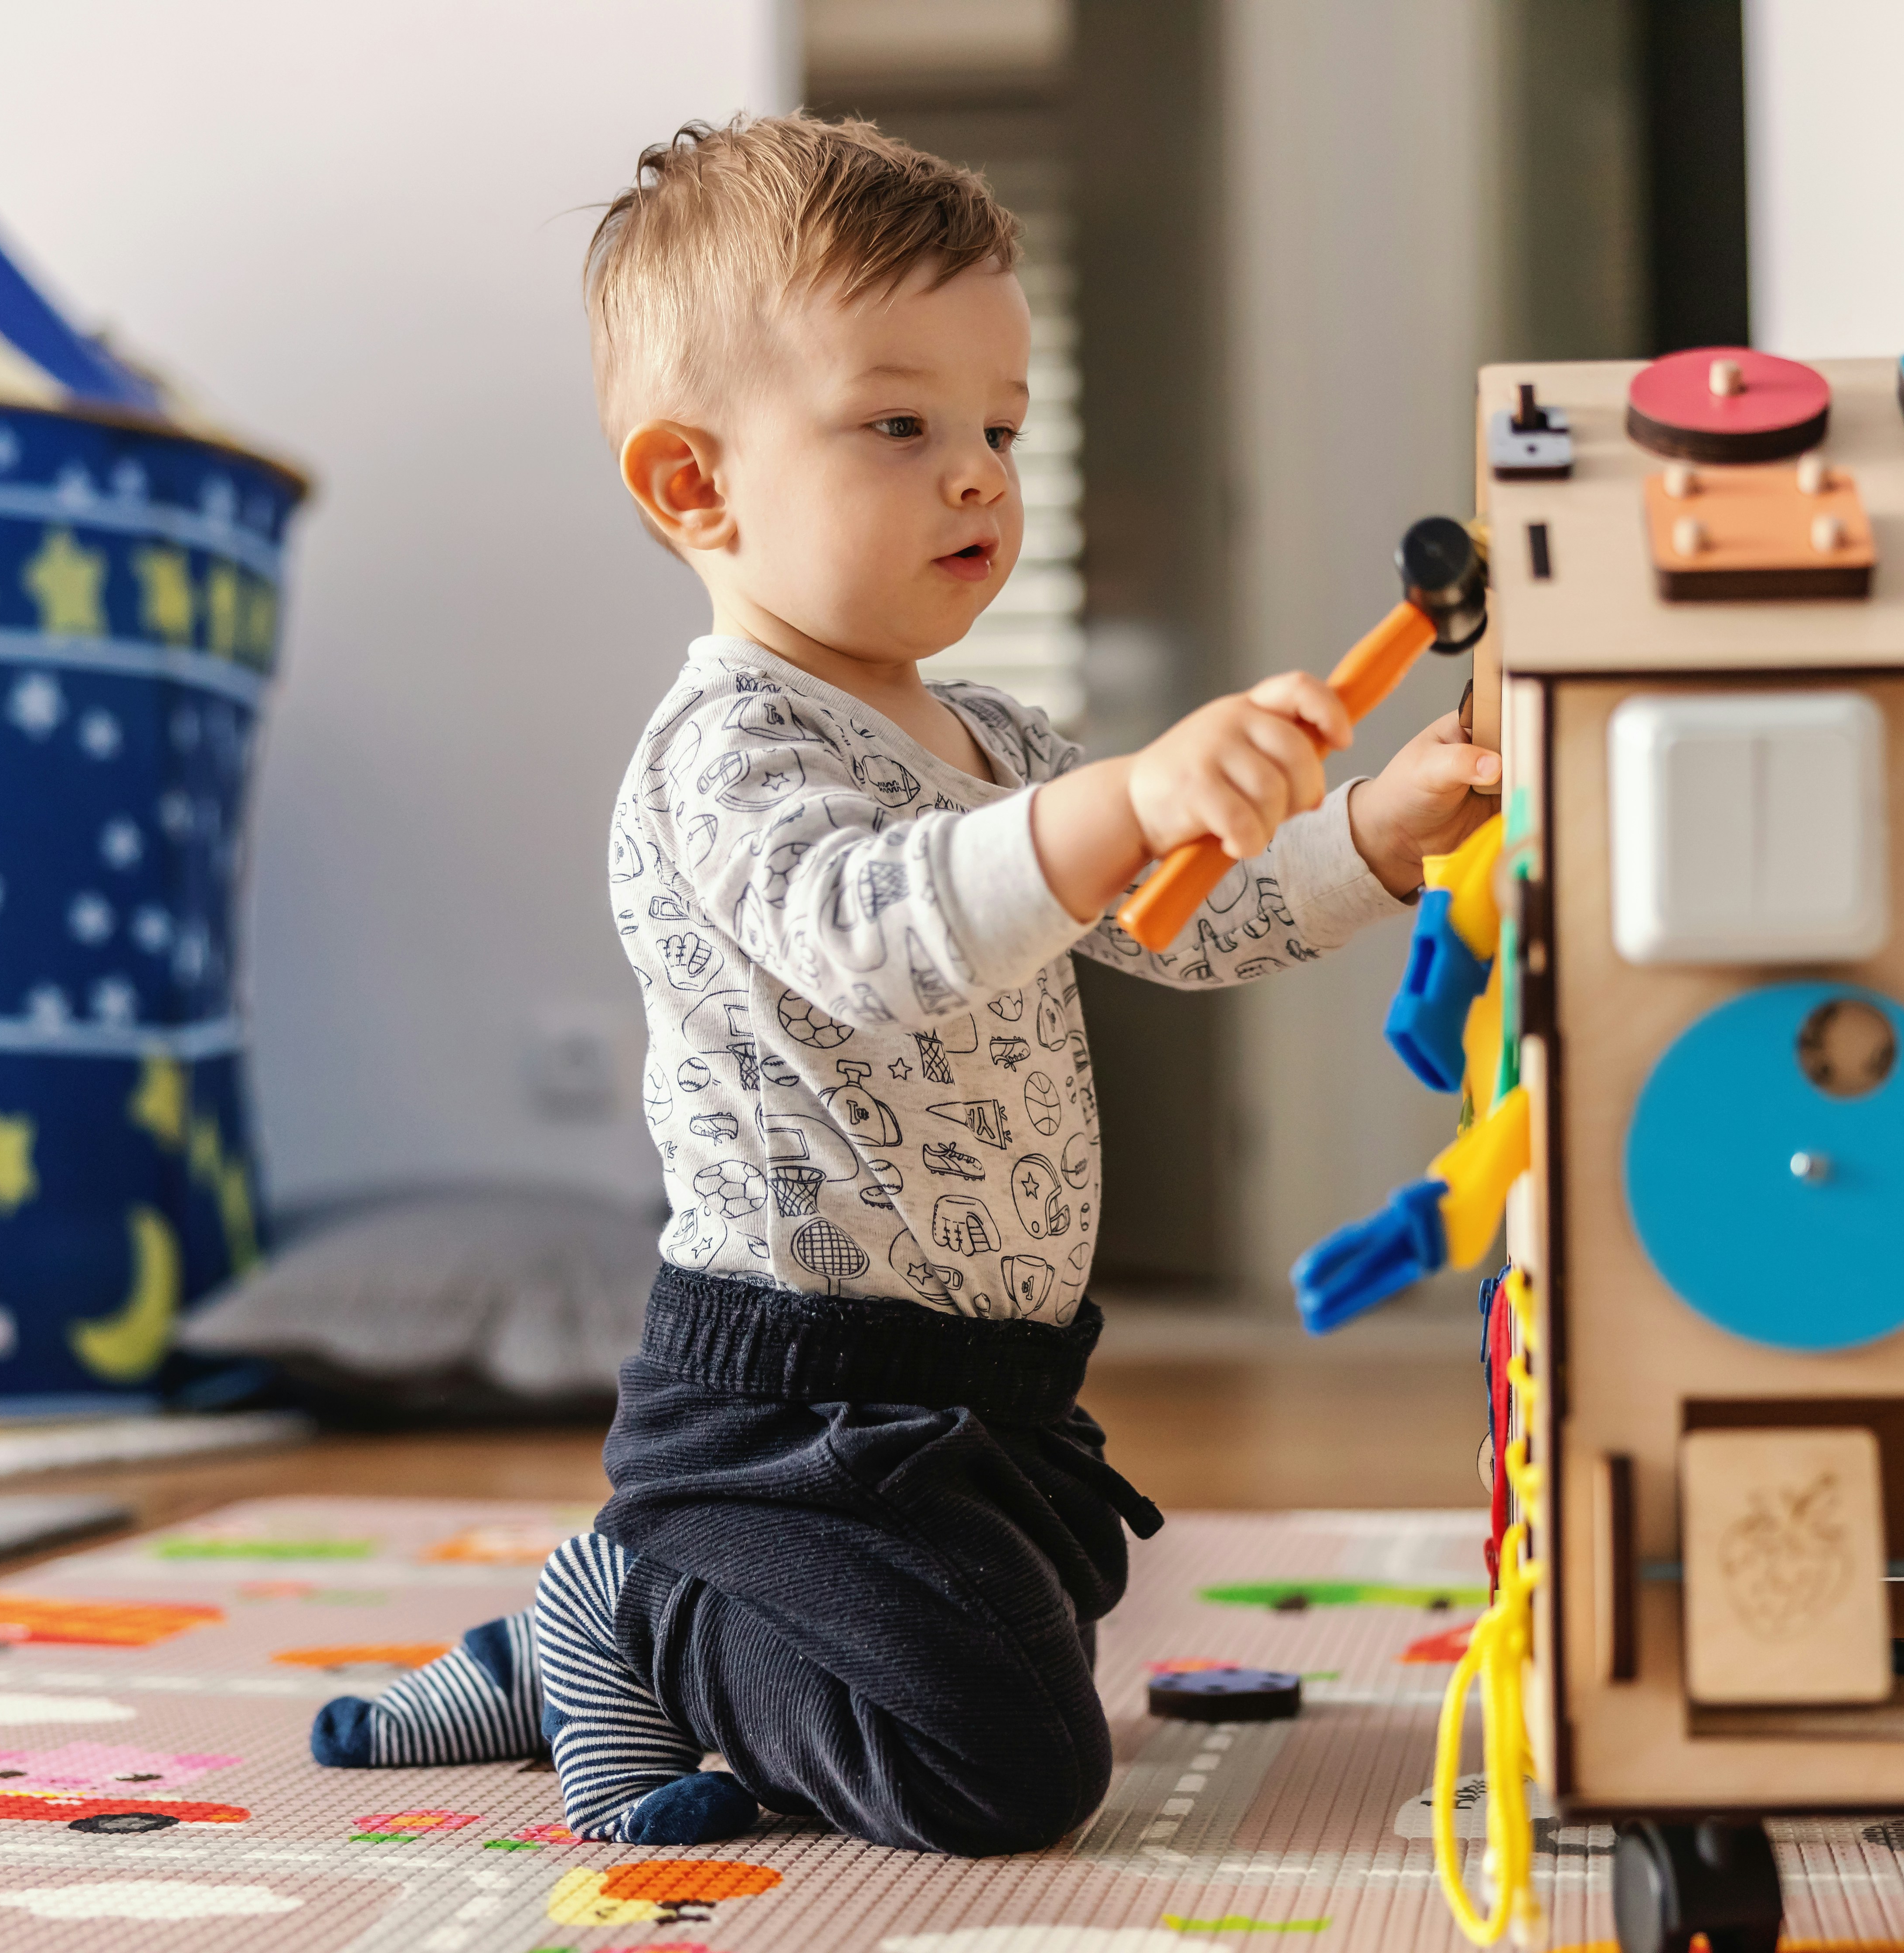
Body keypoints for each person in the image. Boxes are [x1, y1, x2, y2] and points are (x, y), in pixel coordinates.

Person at [311, 112, 1496, 1854]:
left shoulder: (994, 734)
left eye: (1002, 426)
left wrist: (1384, 823)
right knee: (999, 1768)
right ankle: (635, 1610)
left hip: (991, 1386)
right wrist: (1122, 798)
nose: (980, 474)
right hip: (795, 1398)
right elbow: (880, 932)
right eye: (901, 423)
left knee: (1007, 1646)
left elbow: (1185, 919)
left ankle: (627, 1617)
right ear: (693, 484)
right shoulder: (724, 748)